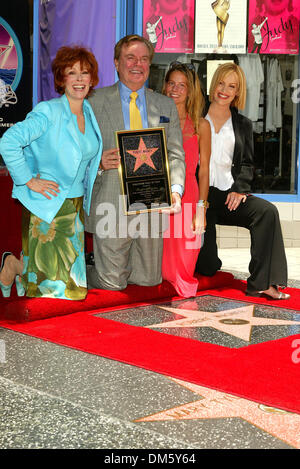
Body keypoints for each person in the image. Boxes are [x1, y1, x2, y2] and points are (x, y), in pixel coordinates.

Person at [0, 45, 103, 300]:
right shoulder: (48, 111)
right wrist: (27, 180)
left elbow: (79, 155)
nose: (79, 79)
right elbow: (9, 141)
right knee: (50, 292)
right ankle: (14, 266)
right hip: (47, 207)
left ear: (92, 78)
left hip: (75, 209)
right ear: (62, 78)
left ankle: (15, 266)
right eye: (72, 73)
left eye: (85, 73)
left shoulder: (88, 111)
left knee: (74, 290)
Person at [85, 34, 185, 291]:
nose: (137, 64)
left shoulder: (165, 105)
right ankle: (79, 270)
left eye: (143, 59)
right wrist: (98, 163)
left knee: (148, 280)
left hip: (151, 202)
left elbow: (174, 154)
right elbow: (78, 152)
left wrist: (175, 191)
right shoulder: (93, 102)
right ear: (117, 63)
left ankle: (108, 264)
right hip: (110, 201)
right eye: (130, 58)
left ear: (150, 65)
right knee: (112, 283)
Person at [195, 62, 290, 300]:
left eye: (232, 86)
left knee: (266, 212)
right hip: (199, 198)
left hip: (227, 195)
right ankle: (207, 257)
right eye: (221, 83)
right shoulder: (195, 115)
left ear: (238, 92)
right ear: (213, 84)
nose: (224, 90)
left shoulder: (243, 125)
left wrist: (240, 189)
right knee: (207, 267)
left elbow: (247, 163)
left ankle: (262, 282)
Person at [161, 62, 211, 298]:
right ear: (164, 86)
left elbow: (204, 171)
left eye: (182, 85)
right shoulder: (155, 121)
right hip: (160, 197)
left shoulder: (201, 125)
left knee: (183, 264)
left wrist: (201, 208)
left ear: (190, 90)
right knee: (160, 263)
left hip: (189, 198)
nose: (175, 89)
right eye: (171, 83)